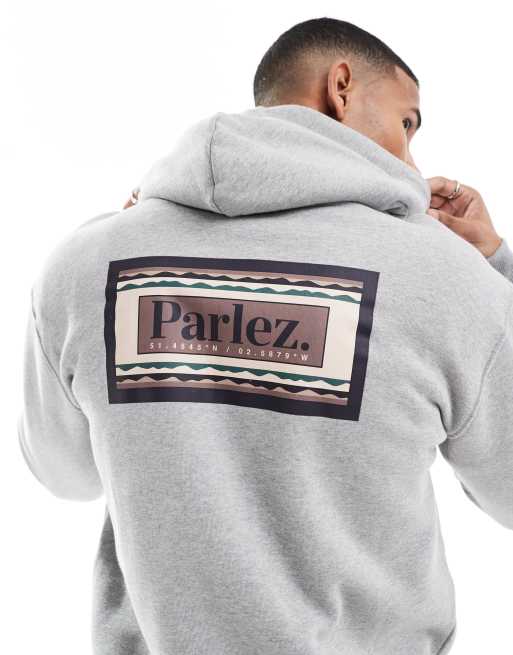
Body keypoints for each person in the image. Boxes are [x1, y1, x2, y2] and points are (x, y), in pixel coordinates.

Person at [17, 16, 513, 655]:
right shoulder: (448, 278)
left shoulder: (85, 265)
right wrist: (496, 264)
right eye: (407, 122)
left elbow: (62, 474)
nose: (410, 161)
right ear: (340, 87)